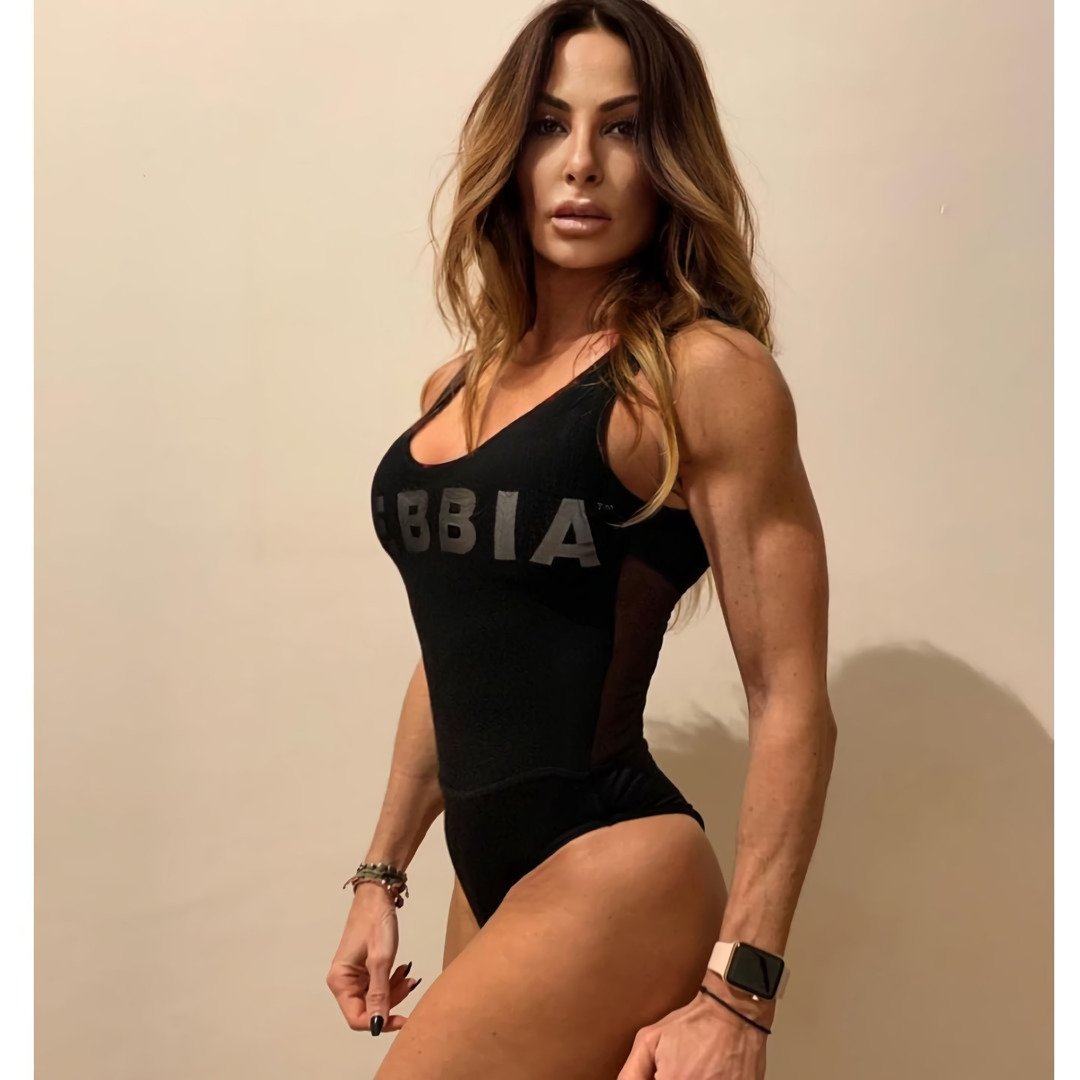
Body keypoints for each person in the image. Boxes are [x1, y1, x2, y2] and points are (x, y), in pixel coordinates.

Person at [326, 2, 837, 1076]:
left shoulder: (703, 375)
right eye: (552, 124)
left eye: (625, 128)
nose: (583, 163)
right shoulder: (455, 385)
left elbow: (789, 697)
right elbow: (460, 646)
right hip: (489, 876)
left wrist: (739, 998)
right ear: (510, 154)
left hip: (617, 860)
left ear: (670, 161)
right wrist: (382, 873)